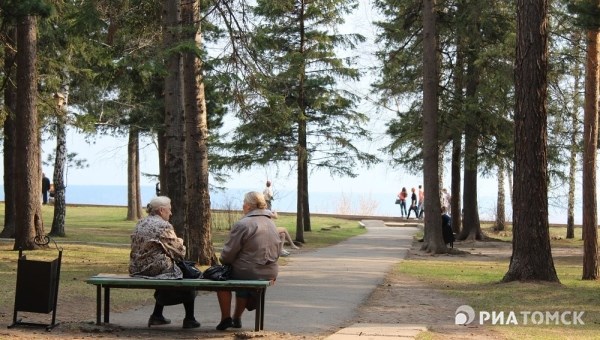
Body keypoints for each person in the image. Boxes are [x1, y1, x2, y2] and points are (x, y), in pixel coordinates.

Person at [129, 196, 200, 329]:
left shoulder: (141, 222)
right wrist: (181, 242)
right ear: (161, 210)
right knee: (187, 274)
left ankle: (157, 315)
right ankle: (190, 318)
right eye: (169, 210)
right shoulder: (163, 226)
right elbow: (179, 252)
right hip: (153, 268)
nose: (171, 213)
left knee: (167, 269)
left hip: (136, 267)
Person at [216, 191, 281, 331]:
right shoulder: (271, 223)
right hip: (271, 270)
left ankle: (226, 318)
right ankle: (237, 318)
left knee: (221, 280)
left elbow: (228, 254)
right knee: (241, 276)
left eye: (244, 203)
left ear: (248, 206)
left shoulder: (243, 224)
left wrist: (224, 260)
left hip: (249, 270)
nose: (242, 205)